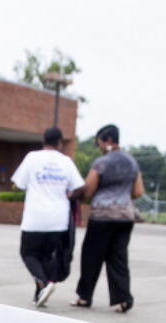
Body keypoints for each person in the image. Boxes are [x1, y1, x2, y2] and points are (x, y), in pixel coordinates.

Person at [10, 126, 85, 308]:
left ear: (44, 141)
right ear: (60, 143)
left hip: (35, 218)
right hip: (58, 220)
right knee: (44, 256)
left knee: (28, 253)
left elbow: (17, 184)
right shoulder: (66, 162)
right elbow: (80, 187)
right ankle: (40, 293)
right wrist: (69, 195)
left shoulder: (32, 158)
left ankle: (43, 282)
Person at [72, 124, 144, 312]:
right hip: (125, 217)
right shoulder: (132, 162)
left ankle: (84, 297)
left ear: (108, 140)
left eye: (100, 143)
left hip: (103, 216)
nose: (100, 147)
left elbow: (88, 190)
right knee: (118, 258)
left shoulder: (102, 162)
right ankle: (124, 299)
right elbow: (138, 191)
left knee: (91, 257)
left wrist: (79, 193)